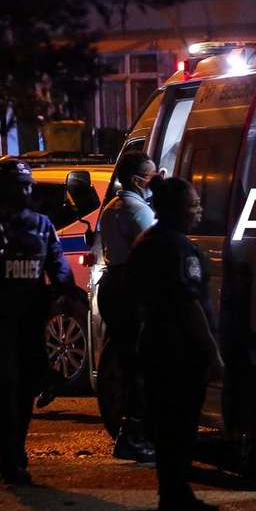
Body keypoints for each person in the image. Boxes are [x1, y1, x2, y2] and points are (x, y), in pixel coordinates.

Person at [0, 159, 75, 484]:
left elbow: (57, 263)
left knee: (27, 387)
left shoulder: (41, 224)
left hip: (31, 318)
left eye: (28, 185)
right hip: (0, 319)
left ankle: (16, 452)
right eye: (19, 185)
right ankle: (8, 457)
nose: (26, 191)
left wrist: (67, 290)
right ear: (3, 188)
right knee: (6, 387)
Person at [126, 176, 224, 511]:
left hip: (155, 342)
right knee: (180, 424)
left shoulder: (146, 241)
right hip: (180, 349)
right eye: (193, 205)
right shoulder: (178, 247)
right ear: (175, 210)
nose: (199, 210)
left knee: (166, 423)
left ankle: (171, 491)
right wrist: (213, 353)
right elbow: (189, 304)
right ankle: (176, 494)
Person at [98, 150, 157, 462]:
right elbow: (151, 251)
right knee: (141, 364)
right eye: (153, 176)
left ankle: (129, 429)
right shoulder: (139, 211)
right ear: (137, 180)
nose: (156, 181)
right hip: (130, 289)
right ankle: (133, 434)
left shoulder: (112, 207)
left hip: (112, 286)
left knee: (127, 361)